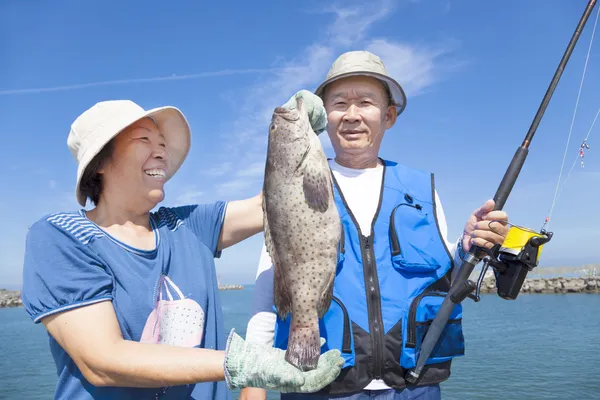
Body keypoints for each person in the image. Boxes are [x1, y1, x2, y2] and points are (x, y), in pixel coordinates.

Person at [20, 99, 344, 399]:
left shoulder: (188, 226)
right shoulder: (61, 237)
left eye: (162, 144)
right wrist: (243, 363)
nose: (161, 151)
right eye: (144, 140)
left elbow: (278, 201)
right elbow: (102, 359)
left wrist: (293, 128)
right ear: (100, 161)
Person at [239, 50, 510, 400]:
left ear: (389, 115)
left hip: (415, 387)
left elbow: (449, 276)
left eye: (365, 102)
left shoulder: (420, 190)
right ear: (323, 115)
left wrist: (469, 245)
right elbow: (267, 294)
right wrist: (253, 385)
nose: (352, 115)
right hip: (320, 385)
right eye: (339, 103)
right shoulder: (292, 183)